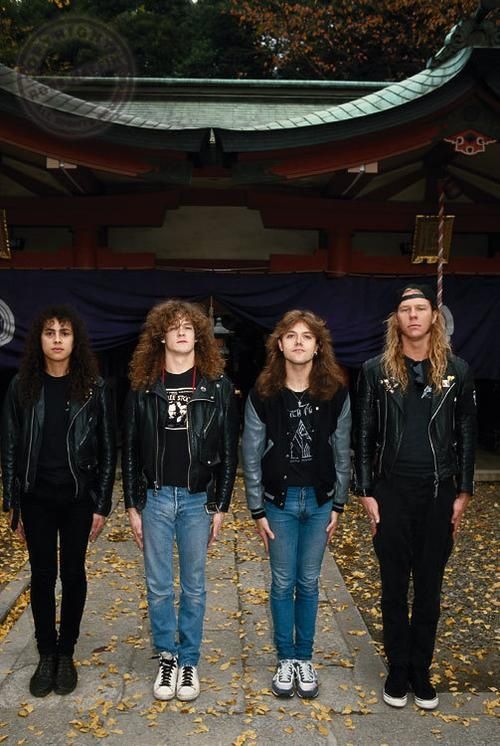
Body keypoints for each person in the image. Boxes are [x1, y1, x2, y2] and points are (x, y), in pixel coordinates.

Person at [354, 284, 476, 711]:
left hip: (438, 490)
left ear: (433, 317)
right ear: (397, 320)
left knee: (429, 585)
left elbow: (465, 433)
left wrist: (463, 490)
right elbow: (364, 434)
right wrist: (366, 490)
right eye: (405, 309)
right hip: (391, 490)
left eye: (420, 308)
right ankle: (397, 667)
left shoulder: (457, 371)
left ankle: (421, 670)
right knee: (392, 586)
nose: (413, 315)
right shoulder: (375, 371)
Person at [122, 299, 239, 702]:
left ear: (200, 335)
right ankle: (167, 657)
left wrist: (221, 505)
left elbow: (229, 449)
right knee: (157, 586)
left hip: (195, 500)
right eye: (174, 326)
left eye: (190, 326)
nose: (183, 332)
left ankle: (189, 660)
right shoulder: (142, 386)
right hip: (154, 498)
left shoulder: (217, 386)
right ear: (161, 335)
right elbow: (131, 450)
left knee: (193, 587)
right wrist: (132, 505)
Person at [1, 305, 116, 697]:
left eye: (64, 333)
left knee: (73, 573)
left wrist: (102, 504)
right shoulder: (22, 386)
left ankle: (66, 653)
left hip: (77, 498)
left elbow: (107, 450)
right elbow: (11, 448)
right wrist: (12, 506)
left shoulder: (93, 389)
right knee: (43, 575)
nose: (56, 339)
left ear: (74, 340)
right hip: (36, 498)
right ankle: (45, 653)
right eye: (49, 332)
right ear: (39, 340)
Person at [242, 309, 351, 699]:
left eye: (307, 336)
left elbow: (342, 451)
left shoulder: (335, 392)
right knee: (282, 582)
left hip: (320, 502)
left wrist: (339, 503)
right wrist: (256, 508)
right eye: (291, 335)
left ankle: (304, 658)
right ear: (280, 344)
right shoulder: (264, 394)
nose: (299, 341)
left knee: (308, 582)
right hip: (279, 503)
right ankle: (284, 659)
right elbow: (250, 453)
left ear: (318, 345)